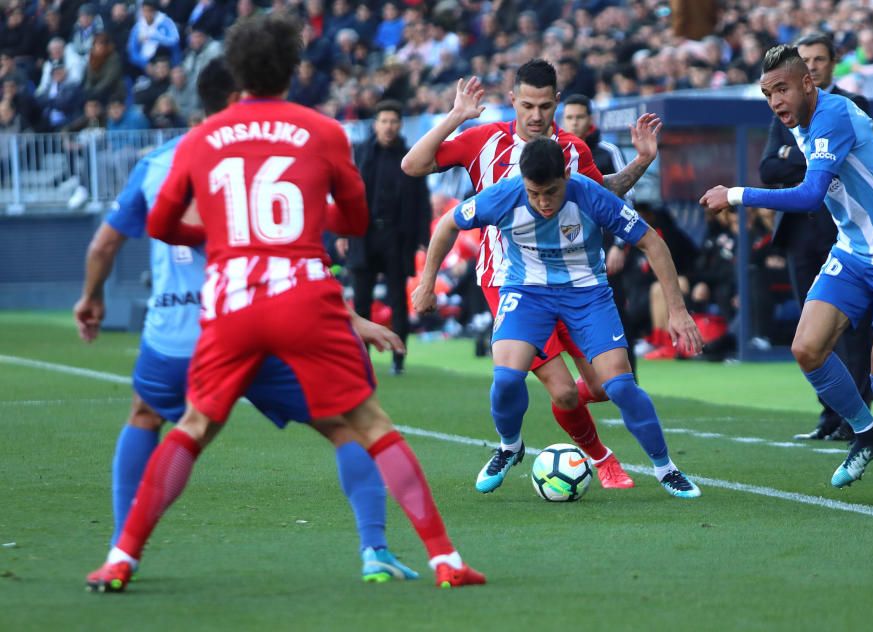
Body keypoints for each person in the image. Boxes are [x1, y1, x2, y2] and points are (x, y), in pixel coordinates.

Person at [85, 13, 484, 592]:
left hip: (231, 301)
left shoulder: (199, 140)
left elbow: (163, 223)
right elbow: (354, 219)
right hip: (302, 293)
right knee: (368, 424)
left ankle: (121, 556)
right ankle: (444, 560)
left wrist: (223, 234)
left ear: (236, 73)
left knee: (191, 426)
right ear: (293, 71)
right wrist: (299, 224)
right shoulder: (323, 131)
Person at [699, 44, 873, 499]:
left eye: (782, 89)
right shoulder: (799, 121)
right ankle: (868, 433)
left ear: (808, 84)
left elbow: (811, 195)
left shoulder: (832, 116)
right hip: (854, 252)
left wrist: (736, 194)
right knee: (806, 349)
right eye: (767, 92)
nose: (775, 101)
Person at [401, 59, 662, 491]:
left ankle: (564, 428)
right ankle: (600, 458)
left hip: (573, 281)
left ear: (556, 102)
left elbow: (606, 195)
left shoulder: (572, 149)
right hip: (508, 282)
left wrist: (643, 161)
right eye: (527, 105)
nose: (537, 115)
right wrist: (458, 115)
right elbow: (414, 164)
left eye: (544, 105)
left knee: (599, 388)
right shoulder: (483, 141)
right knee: (561, 391)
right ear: (512, 102)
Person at [412, 138, 704, 497]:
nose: (543, 202)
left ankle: (665, 469)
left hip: (587, 295)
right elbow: (447, 224)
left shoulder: (590, 195)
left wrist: (677, 310)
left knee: (620, 387)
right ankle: (509, 446)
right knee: (505, 380)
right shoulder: (504, 195)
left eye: (551, 192)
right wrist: (427, 284)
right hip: (527, 294)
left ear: (567, 174)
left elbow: (652, 243)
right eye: (535, 194)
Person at [759, 33, 873, 442]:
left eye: (818, 60)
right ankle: (829, 415)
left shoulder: (849, 106)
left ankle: (857, 416)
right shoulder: (782, 110)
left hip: (845, 233)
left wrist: (802, 161)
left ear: (831, 64)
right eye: (804, 59)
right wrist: (810, 161)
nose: (811, 66)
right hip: (800, 233)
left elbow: (811, 172)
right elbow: (768, 168)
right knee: (810, 329)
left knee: (853, 328)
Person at [336, 99, 430, 376]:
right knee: (361, 301)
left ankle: (398, 360)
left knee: (398, 301)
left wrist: (423, 237)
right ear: (375, 124)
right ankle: (361, 362)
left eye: (393, 122)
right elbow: (346, 193)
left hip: (396, 236)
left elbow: (422, 201)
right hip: (363, 234)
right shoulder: (361, 152)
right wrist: (342, 231)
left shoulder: (411, 155)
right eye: (384, 121)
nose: (388, 127)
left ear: (400, 125)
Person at [561, 93, 639, 374]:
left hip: (606, 248)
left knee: (615, 314)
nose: (574, 122)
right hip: (566, 250)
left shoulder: (607, 151)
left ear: (590, 120)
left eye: (579, 117)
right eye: (569, 117)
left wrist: (619, 245)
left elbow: (627, 199)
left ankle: (628, 379)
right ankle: (589, 380)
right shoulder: (554, 150)